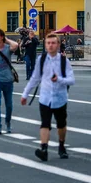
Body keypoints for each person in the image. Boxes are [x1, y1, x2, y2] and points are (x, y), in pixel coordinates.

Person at [21, 33, 75, 162]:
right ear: (45, 45)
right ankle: (43, 149)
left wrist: (59, 80)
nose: (50, 45)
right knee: (45, 123)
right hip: (45, 97)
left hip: (60, 98)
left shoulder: (64, 61)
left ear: (58, 45)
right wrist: (25, 94)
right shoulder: (42, 59)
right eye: (48, 43)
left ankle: (61, 146)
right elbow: (35, 78)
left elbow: (71, 80)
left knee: (61, 124)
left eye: (53, 43)